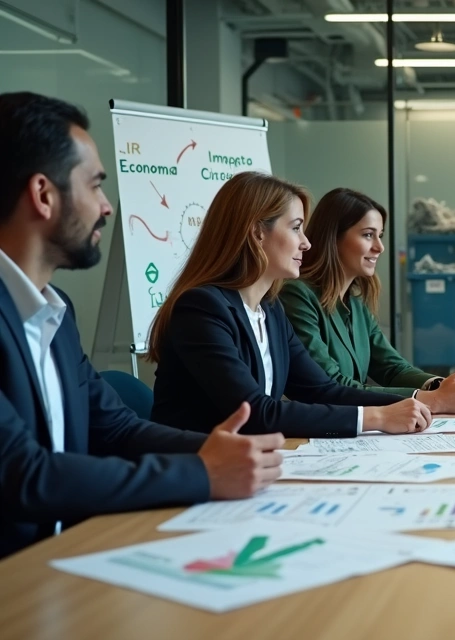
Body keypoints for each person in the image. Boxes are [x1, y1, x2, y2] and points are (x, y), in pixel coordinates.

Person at [0, 92, 282, 557]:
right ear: (44, 195)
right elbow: (25, 475)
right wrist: (203, 472)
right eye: (94, 186)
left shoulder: (57, 311)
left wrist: (218, 450)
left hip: (61, 563)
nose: (108, 206)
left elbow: (116, 429)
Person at [146, 172, 432, 439]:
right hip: (200, 474)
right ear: (258, 233)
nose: (306, 243)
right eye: (296, 228)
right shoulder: (202, 309)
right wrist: (376, 418)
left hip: (252, 467)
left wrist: (412, 401)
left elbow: (322, 390)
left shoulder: (270, 310)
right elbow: (256, 413)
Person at [279, 187, 455, 413]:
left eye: (380, 235)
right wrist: (430, 398)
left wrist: (440, 385)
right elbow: (332, 384)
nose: (380, 247)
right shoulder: (297, 294)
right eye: (368, 235)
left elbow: (393, 368)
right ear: (333, 237)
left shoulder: (355, 303)